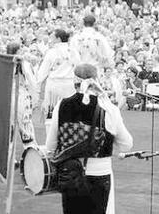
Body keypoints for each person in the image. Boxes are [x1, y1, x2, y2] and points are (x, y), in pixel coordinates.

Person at [46, 63, 132, 214]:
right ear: (96, 79)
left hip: (70, 173)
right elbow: (126, 145)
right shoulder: (108, 109)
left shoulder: (62, 105)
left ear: (75, 81)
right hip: (99, 173)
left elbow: (51, 145)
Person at [36, 28, 79, 117]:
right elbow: (78, 68)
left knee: (52, 115)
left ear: (58, 39)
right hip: (69, 85)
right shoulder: (74, 52)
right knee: (68, 115)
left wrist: (37, 86)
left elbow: (43, 72)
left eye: (52, 38)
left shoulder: (52, 52)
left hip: (55, 85)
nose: (50, 40)